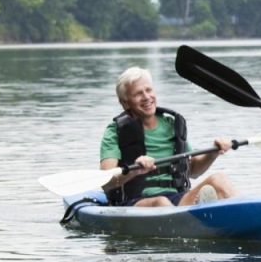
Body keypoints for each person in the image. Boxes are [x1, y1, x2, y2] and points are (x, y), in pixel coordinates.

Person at [100, 66, 239, 207]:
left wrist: (213, 153)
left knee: (219, 179)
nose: (146, 97)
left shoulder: (172, 125)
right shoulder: (115, 131)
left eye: (148, 90)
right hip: (134, 202)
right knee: (161, 202)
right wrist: (134, 171)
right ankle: (191, 216)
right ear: (124, 102)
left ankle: (246, 213)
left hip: (176, 199)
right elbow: (105, 181)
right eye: (138, 94)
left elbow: (193, 170)